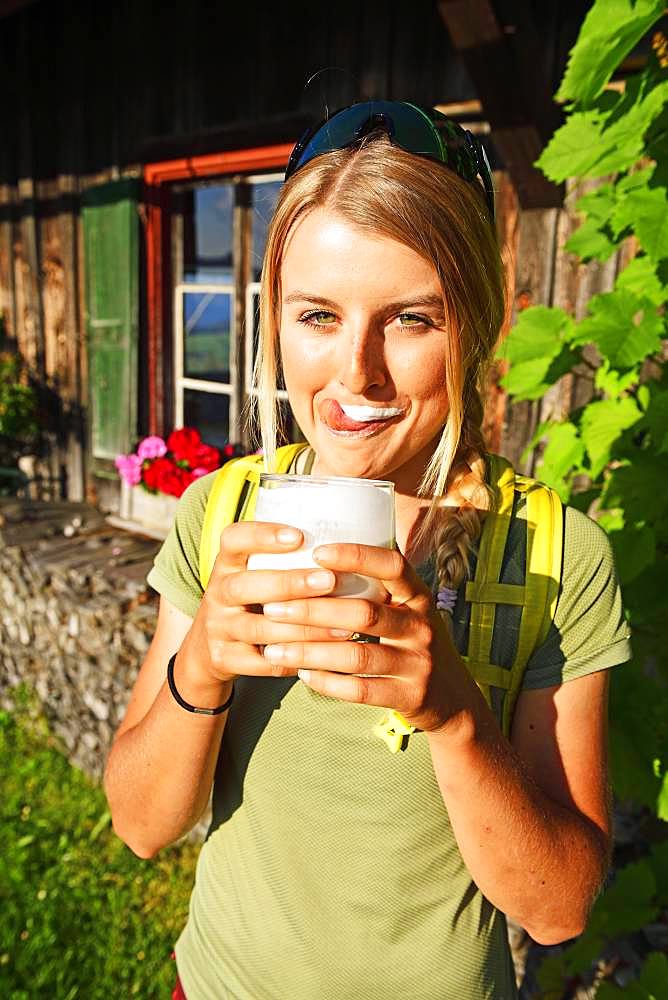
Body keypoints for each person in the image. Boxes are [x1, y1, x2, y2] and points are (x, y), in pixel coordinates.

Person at [103, 101, 632, 1000]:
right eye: (317, 316)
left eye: (411, 319)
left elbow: (559, 910)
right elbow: (143, 827)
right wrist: (203, 663)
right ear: (276, 320)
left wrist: (456, 711)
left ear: (476, 324)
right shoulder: (221, 512)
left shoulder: (551, 555)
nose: (357, 373)